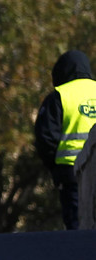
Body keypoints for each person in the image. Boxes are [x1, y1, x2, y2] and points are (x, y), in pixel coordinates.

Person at [34, 50, 96, 230]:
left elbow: (45, 137)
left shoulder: (60, 95)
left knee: (77, 223)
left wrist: (55, 167)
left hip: (70, 170)